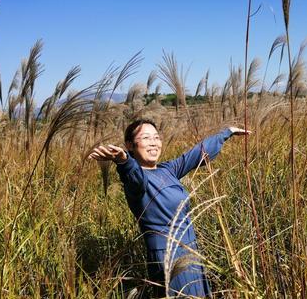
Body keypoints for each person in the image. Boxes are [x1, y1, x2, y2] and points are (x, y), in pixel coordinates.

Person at [89, 119, 249, 298]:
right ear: (130, 145)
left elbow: (196, 153)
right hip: (168, 257)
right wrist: (123, 160)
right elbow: (133, 176)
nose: (153, 142)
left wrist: (226, 133)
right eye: (146, 138)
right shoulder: (136, 180)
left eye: (156, 137)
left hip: (190, 250)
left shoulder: (168, 169)